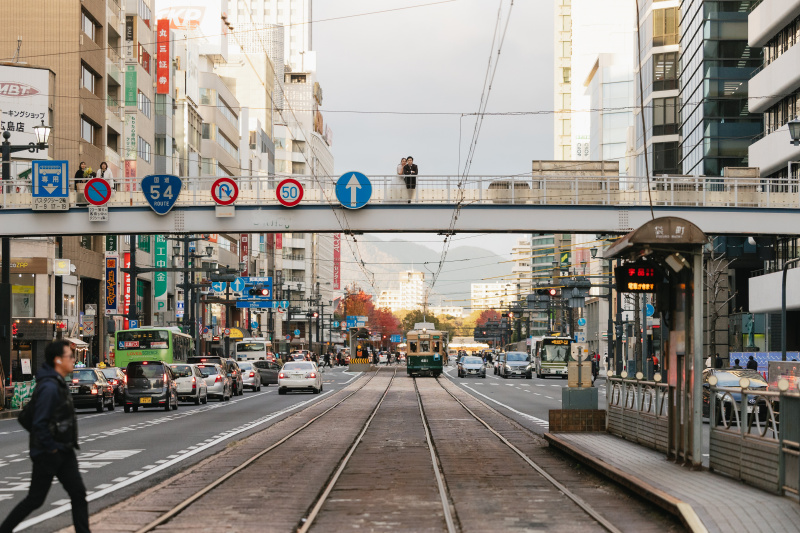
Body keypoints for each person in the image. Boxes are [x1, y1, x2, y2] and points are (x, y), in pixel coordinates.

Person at [0, 340, 89, 533]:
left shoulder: (57, 382)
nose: (74, 360)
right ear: (58, 360)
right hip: (50, 452)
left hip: (63, 449)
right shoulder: (49, 387)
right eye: (70, 356)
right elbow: (39, 422)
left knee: (78, 494)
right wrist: (51, 447)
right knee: (35, 499)